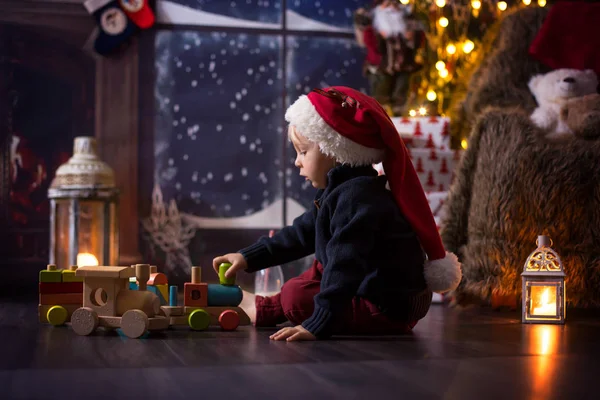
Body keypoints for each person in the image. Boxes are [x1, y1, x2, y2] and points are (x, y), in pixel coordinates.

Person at [212, 86, 461, 341]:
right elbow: (301, 234)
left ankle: (270, 307)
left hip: (387, 306)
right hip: (367, 287)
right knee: (308, 277)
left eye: (303, 152)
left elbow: (346, 264)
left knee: (295, 296)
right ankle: (267, 307)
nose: (297, 161)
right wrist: (247, 258)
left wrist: (318, 323)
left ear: (335, 151)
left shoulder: (359, 198)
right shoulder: (338, 190)